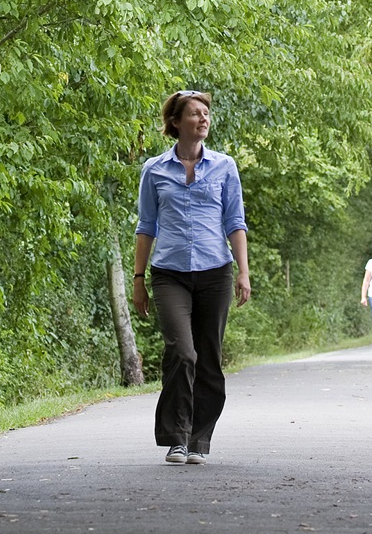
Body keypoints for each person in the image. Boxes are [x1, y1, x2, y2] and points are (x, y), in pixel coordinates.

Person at [130, 90, 251, 466]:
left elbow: (235, 221)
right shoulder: (154, 169)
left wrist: (243, 272)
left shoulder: (224, 166)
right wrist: (138, 279)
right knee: (182, 353)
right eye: (195, 114)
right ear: (176, 122)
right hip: (170, 274)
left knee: (209, 359)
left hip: (216, 272)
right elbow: (146, 226)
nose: (203, 119)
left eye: (206, 114)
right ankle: (176, 437)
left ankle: (199, 439)